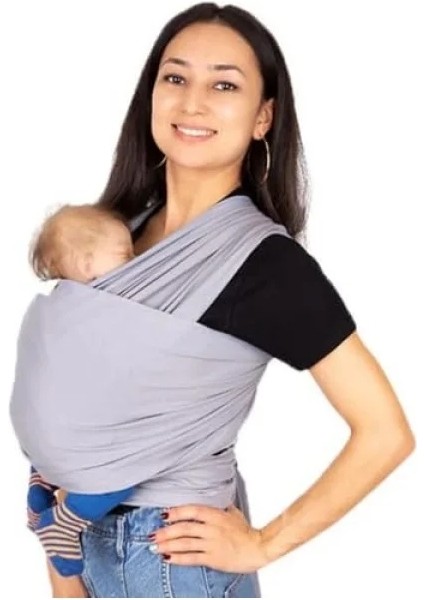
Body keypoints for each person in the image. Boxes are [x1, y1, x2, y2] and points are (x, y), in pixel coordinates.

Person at [21, 3, 415, 598]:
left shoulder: (264, 264)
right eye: (175, 77)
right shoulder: (110, 235)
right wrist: (64, 575)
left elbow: (386, 432)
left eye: (224, 85)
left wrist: (263, 543)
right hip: (80, 543)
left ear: (263, 117)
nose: (193, 102)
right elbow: (68, 402)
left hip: (174, 561)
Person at [24, 203, 141, 581]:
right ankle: (65, 523)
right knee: (129, 467)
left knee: (56, 455)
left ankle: (40, 488)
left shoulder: (61, 305)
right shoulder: (103, 308)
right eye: (126, 254)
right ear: (88, 265)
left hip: (54, 427)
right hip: (84, 425)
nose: (136, 261)